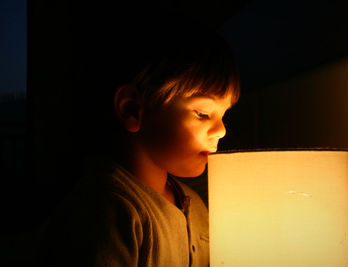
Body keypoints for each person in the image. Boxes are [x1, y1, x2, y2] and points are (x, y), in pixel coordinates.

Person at [35, 7, 240, 267]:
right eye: (202, 113)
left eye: (223, 115)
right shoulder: (106, 211)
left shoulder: (195, 205)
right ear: (133, 109)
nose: (221, 130)